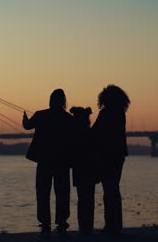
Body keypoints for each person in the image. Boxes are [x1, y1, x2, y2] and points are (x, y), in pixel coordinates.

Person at [22, 89, 73, 237]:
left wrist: (24, 119)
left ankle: (45, 223)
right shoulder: (67, 118)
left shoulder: (41, 115)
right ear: (63, 101)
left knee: (43, 192)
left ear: (50, 100)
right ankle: (62, 222)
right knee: (62, 192)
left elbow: (27, 126)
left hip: (44, 160)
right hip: (62, 161)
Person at [92, 85, 130, 234]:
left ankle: (110, 226)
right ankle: (116, 225)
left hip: (107, 155)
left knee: (108, 190)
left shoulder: (105, 113)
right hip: (119, 155)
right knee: (114, 189)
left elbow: (95, 132)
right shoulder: (121, 113)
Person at [69, 106, 97, 235]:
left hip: (79, 169)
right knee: (89, 199)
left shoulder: (74, 135)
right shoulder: (91, 133)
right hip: (91, 169)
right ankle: (88, 227)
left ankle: (83, 227)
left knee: (82, 199)